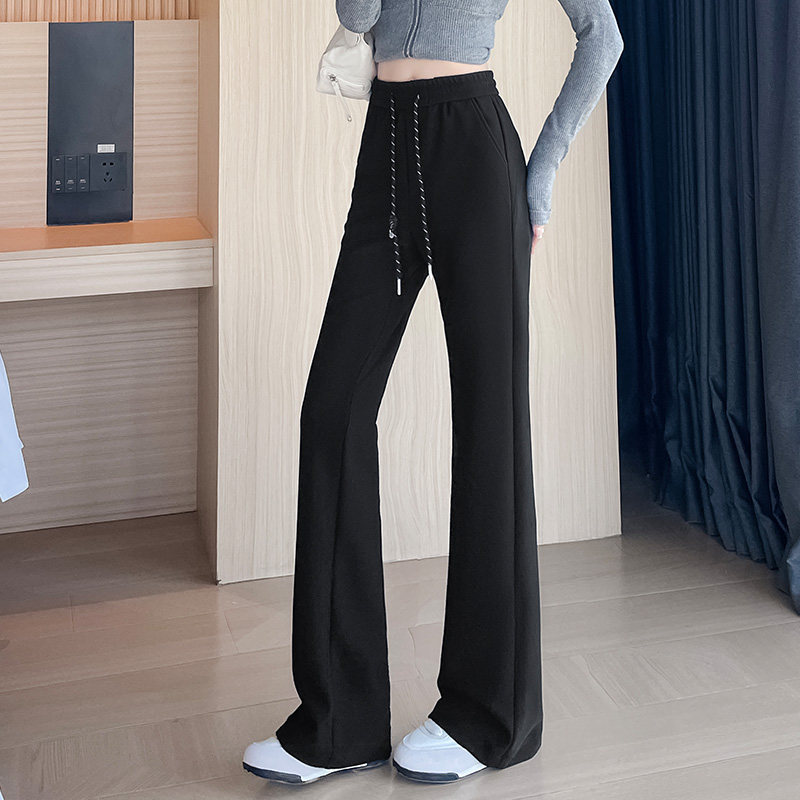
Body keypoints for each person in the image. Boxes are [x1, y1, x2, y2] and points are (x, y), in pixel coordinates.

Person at [243, 0, 624, 786]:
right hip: (387, 145)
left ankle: (488, 717)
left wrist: (544, 171)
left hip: (474, 150)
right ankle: (339, 723)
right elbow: (359, 14)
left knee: (490, 425)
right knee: (333, 412)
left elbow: (602, 36)